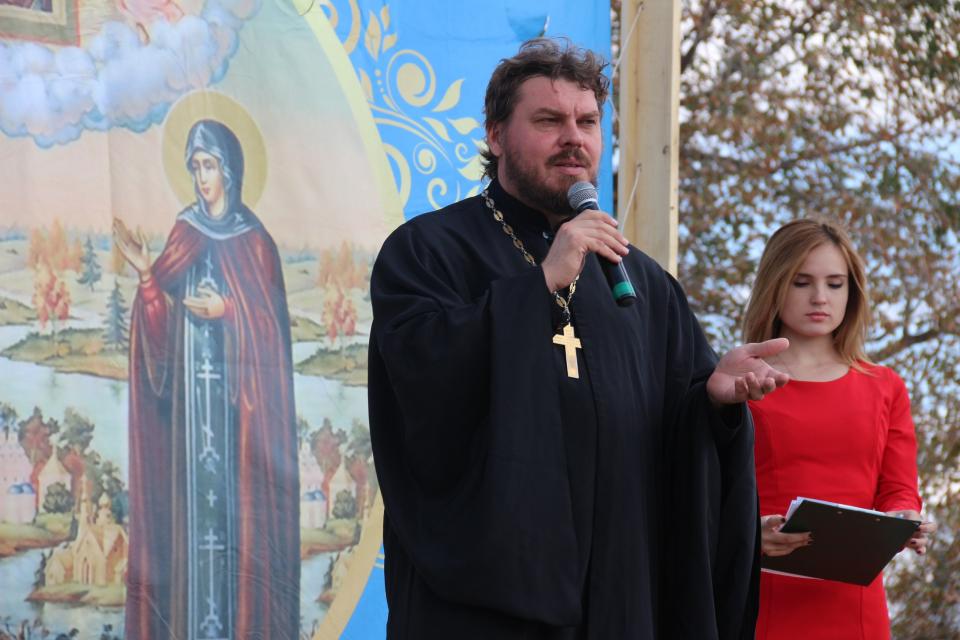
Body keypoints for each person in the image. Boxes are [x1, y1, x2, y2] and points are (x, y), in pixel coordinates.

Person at [368, 38, 790, 639]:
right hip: (484, 612)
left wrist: (711, 404)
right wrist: (538, 285)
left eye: (587, 122)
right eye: (549, 121)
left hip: (618, 602)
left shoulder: (645, 284)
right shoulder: (427, 252)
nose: (574, 138)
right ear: (496, 136)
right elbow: (420, 384)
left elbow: (671, 464)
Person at [114, 119, 300, 639]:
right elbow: (157, 323)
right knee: (188, 542)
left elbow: (272, 335)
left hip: (242, 437)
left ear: (230, 172)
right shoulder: (186, 233)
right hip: (187, 437)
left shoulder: (256, 243)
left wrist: (229, 311)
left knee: (240, 543)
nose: (202, 177)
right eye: (195, 166)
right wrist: (146, 276)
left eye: (210, 166)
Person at [743, 219, 935, 639]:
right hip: (763, 599)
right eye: (801, 282)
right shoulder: (741, 383)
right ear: (775, 284)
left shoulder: (885, 386)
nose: (820, 297)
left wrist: (905, 520)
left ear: (852, 292)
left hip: (857, 610)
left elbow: (898, 489)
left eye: (835, 284)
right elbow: (707, 496)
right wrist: (745, 534)